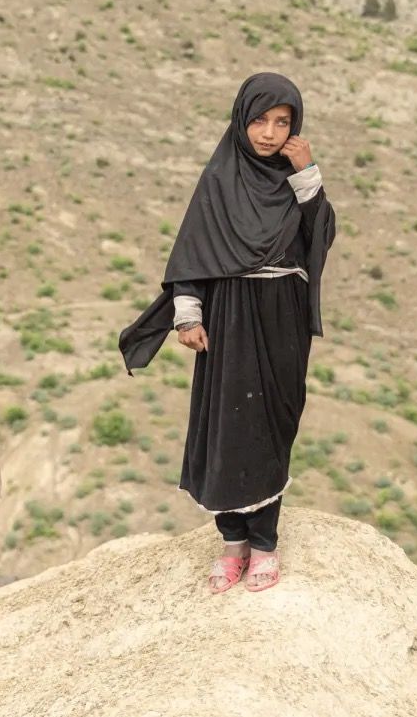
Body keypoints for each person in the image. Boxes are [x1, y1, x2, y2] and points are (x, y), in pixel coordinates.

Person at [119, 73, 336, 593]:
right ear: (241, 120)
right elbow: (192, 252)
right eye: (259, 120)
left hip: (281, 313)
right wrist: (188, 316)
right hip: (229, 315)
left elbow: (321, 236)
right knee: (227, 424)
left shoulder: (295, 178)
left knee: (271, 425)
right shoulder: (219, 178)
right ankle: (233, 541)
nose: (268, 133)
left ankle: (265, 545)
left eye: (282, 122)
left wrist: (307, 173)